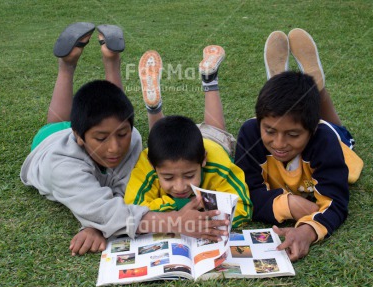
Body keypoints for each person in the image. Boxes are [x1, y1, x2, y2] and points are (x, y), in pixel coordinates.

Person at [20, 22, 229, 256]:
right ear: (79, 137)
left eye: (123, 134)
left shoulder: (133, 140)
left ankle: (112, 60)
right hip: (47, 143)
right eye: (101, 138)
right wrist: (175, 221)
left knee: (112, 112)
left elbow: (126, 191)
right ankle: (66, 66)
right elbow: (101, 209)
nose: (115, 148)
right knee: (56, 123)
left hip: (94, 127)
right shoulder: (61, 166)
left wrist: (100, 227)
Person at [235, 28, 364, 261]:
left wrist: (307, 230)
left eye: (293, 135)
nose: (279, 143)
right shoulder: (250, 133)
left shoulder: (323, 140)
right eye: (269, 131)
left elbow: (336, 202)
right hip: (297, 122)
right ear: (260, 122)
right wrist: (289, 204)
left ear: (311, 131)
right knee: (287, 111)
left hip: (329, 134)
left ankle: (317, 85)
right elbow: (245, 191)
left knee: (342, 134)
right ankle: (282, 86)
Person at [124, 46, 252, 228]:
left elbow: (244, 207)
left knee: (217, 132)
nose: (180, 187)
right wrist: (179, 207)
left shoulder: (217, 162)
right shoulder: (147, 162)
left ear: (203, 160)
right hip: (175, 144)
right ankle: (208, 80)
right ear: (153, 166)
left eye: (190, 175)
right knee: (208, 127)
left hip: (213, 143)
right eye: (168, 178)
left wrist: (205, 217)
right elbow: (131, 209)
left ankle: (156, 108)